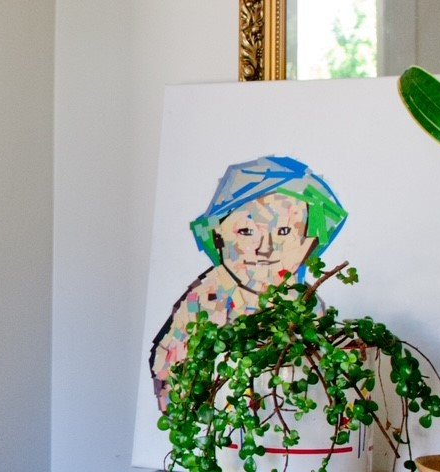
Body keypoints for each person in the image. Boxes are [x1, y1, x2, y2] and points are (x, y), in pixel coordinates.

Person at [149, 154, 347, 410]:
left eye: (284, 231)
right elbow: (169, 375)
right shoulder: (204, 302)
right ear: (218, 236)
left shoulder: (306, 303)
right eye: (246, 232)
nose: (265, 248)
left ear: (310, 241)